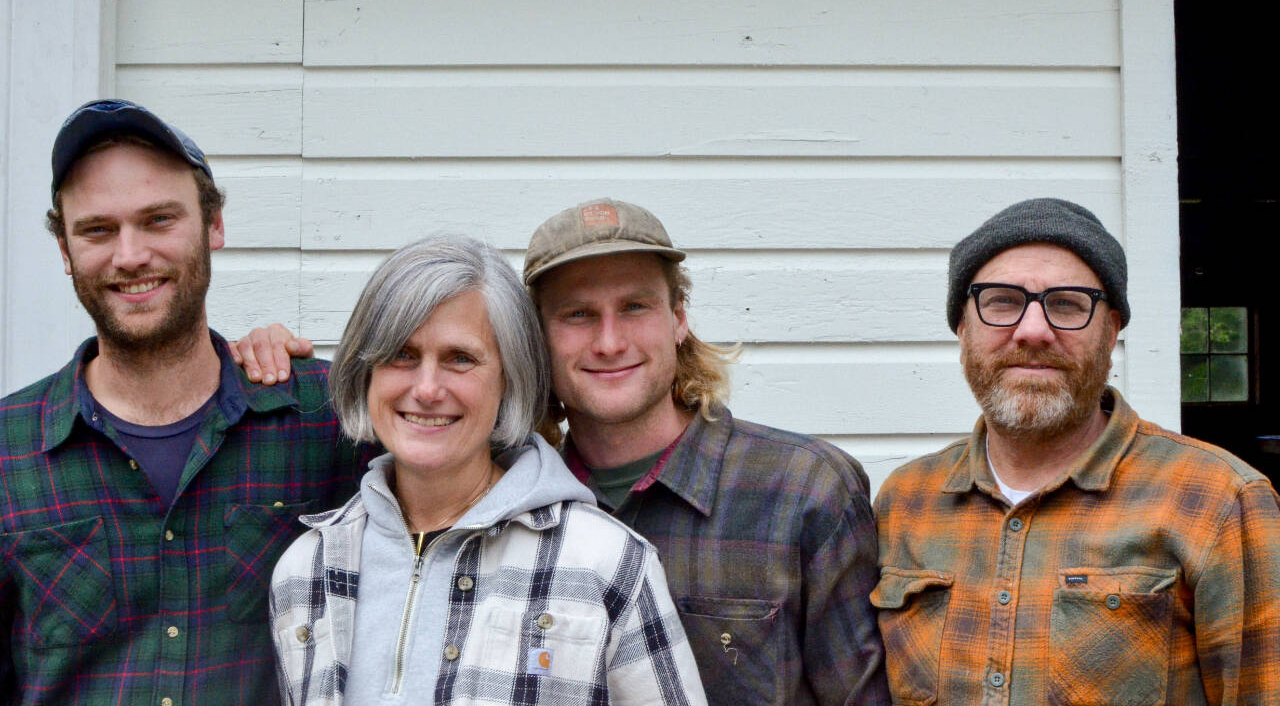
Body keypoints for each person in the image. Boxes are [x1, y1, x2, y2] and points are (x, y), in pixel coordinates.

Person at [235, 199, 888, 705]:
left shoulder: (800, 490)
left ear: (679, 315)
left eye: (634, 306)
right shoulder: (422, 505)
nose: (608, 342)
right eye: (577, 314)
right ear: (535, 342)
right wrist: (260, 362)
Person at [0, 100, 374, 705]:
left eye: (158, 220)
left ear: (214, 225)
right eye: (98, 230)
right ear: (65, 251)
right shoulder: (8, 451)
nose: (130, 255)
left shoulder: (323, 419)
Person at [874, 197, 1280, 705]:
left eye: (1067, 304)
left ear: (1110, 331)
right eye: (1001, 301)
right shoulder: (906, 500)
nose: (1033, 331)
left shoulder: (1218, 500)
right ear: (962, 328)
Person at [269, 234, 704, 705]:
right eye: (402, 355)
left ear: (508, 379)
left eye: (461, 359)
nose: (428, 388)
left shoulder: (606, 562)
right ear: (366, 372)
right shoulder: (306, 568)